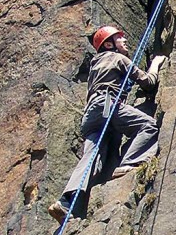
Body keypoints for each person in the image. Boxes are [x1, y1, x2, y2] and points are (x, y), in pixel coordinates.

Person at [48, 25, 167, 224]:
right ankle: (129, 163)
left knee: (91, 157)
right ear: (109, 44)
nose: (125, 41)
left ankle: (66, 201)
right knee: (149, 126)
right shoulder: (117, 58)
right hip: (107, 105)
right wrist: (155, 64)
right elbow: (148, 82)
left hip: (91, 115)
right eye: (120, 38)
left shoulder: (96, 64)